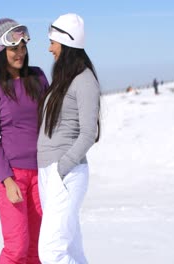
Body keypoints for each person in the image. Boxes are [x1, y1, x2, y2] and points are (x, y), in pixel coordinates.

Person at [0, 18, 49, 263]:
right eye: (13, 48)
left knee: (39, 248)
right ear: (1, 51)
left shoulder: (38, 77)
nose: (20, 53)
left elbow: (49, 120)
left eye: (23, 47)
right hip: (13, 176)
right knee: (17, 247)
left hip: (42, 173)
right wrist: (7, 180)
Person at [37, 13, 100, 264]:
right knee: (71, 248)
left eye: (53, 42)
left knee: (51, 251)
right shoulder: (63, 81)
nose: (50, 47)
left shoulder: (85, 81)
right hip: (50, 172)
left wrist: (62, 168)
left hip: (66, 173)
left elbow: (88, 133)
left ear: (67, 44)